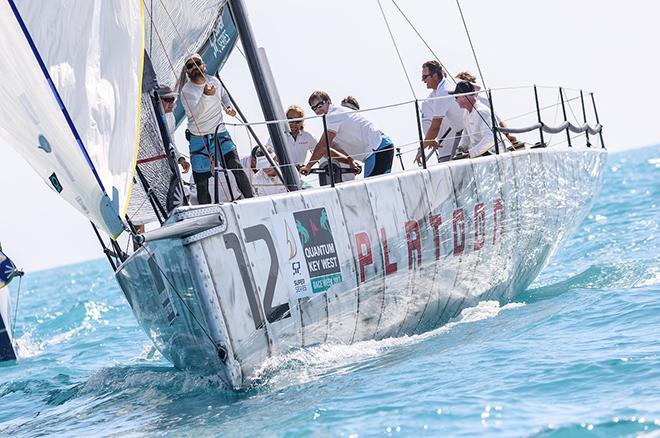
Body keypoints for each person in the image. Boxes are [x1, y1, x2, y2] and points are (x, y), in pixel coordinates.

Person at [179, 53, 253, 204]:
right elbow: (197, 115)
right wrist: (206, 95)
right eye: (190, 66)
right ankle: (206, 211)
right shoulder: (186, 91)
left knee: (235, 165)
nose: (194, 67)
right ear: (187, 72)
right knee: (202, 181)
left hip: (220, 132)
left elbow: (224, 95)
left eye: (197, 63)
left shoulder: (215, 81)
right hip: (199, 138)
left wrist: (228, 107)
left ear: (204, 65)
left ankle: (252, 200)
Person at [300, 91, 393, 179]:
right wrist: (350, 161)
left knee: (373, 190)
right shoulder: (332, 122)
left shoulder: (333, 115)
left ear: (329, 102)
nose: (318, 110)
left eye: (320, 105)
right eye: (314, 108)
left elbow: (323, 146)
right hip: (380, 149)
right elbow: (328, 149)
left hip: (378, 149)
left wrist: (308, 166)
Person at [415, 60, 465, 164]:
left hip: (465, 133)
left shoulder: (442, 92)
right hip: (464, 133)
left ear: (435, 76)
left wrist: (421, 149)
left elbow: (435, 127)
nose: (423, 81)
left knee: (454, 169)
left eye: (425, 77)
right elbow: (477, 88)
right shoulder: (453, 82)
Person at [454, 71, 520, 147]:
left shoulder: (483, 102)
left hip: (491, 144)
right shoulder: (466, 111)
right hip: (478, 144)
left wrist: (508, 135)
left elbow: (498, 120)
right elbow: (466, 134)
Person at [451, 81, 504, 158]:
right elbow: (466, 135)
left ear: (463, 96)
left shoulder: (482, 112)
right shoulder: (466, 113)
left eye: (456, 97)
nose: (455, 100)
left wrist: (470, 153)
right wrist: (460, 148)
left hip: (493, 155)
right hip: (480, 156)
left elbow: (490, 138)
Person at [155, 85, 190, 174]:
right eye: (167, 100)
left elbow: (171, 140)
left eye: (172, 99)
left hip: (162, 162)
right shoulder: (150, 116)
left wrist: (180, 159)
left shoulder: (170, 117)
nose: (172, 103)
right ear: (157, 100)